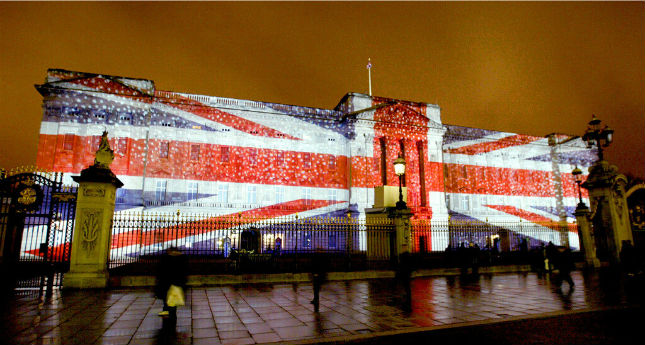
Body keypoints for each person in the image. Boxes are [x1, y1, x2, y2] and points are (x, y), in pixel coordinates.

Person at [155, 247, 189, 323]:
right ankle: (171, 314)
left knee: (167, 300)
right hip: (177, 283)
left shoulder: (165, 258)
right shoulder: (182, 258)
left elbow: (160, 271)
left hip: (166, 283)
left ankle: (167, 313)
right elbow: (184, 272)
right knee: (173, 301)